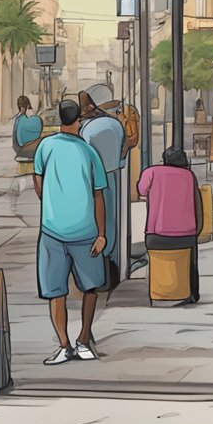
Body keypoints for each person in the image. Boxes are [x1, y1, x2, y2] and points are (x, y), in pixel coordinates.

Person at [33, 100, 108, 366]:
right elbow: (99, 194)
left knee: (56, 291)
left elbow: (38, 180)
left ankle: (64, 345)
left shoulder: (45, 146)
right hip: (86, 231)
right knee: (91, 288)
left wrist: (52, 203)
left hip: (51, 230)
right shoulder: (89, 152)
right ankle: (84, 339)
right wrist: (102, 233)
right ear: (80, 120)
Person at [137, 147, 202, 304]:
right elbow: (197, 204)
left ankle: (159, 293)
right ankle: (191, 294)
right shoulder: (189, 176)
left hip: (156, 236)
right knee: (191, 262)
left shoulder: (151, 172)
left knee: (157, 261)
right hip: (186, 236)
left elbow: (141, 190)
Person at [78, 84, 126, 288]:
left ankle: (97, 273)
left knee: (97, 225)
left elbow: (83, 157)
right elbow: (122, 155)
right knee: (112, 221)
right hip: (114, 176)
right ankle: (112, 268)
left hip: (94, 181)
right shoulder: (115, 124)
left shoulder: (88, 128)